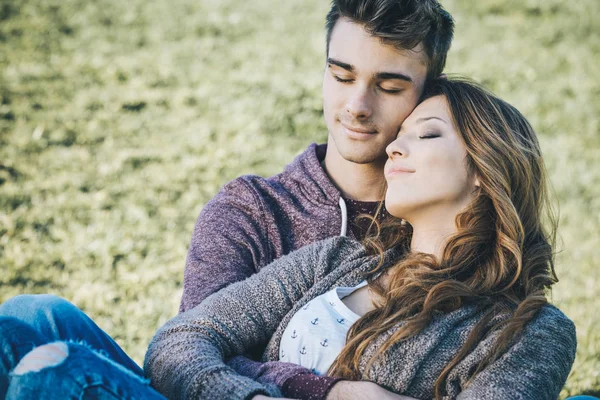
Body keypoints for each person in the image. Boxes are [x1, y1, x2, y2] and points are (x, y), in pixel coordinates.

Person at [0, 1, 455, 399]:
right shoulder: (252, 208)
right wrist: (332, 391)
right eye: (341, 75)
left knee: (54, 371)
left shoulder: (441, 218)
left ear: (431, 97)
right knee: (31, 315)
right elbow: (184, 354)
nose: (357, 104)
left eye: (389, 87)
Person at [144, 78, 577, 400]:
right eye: (398, 137)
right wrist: (321, 392)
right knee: (70, 322)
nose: (393, 149)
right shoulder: (335, 259)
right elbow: (179, 339)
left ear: (485, 170)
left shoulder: (531, 331)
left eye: (426, 134)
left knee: (75, 369)